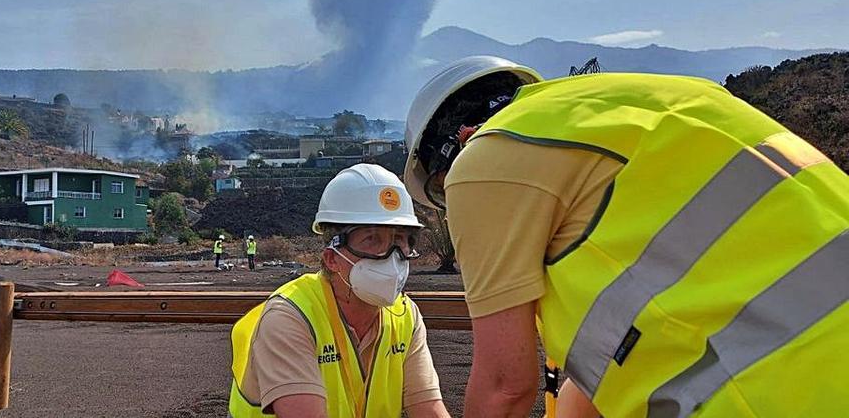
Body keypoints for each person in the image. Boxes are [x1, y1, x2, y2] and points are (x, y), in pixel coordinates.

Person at [403, 55, 849, 417]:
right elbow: (600, 377)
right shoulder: (665, 102)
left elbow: (504, 388)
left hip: (782, 388)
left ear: (455, 144)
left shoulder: (481, 159)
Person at [229, 163, 451, 418]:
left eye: (399, 240)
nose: (391, 257)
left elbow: (429, 409)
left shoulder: (405, 317)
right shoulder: (291, 317)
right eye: (372, 239)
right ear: (332, 258)